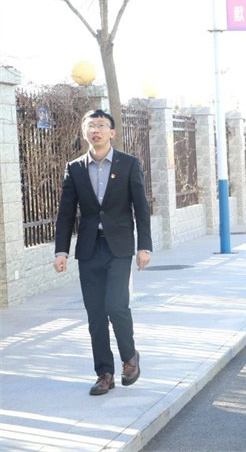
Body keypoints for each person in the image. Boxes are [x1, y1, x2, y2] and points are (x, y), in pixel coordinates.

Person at [54, 110, 152, 396]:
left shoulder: (129, 164)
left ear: (112, 132)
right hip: (88, 248)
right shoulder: (75, 168)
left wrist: (144, 246)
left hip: (119, 247)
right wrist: (61, 250)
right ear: (85, 132)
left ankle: (129, 358)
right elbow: (66, 213)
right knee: (95, 313)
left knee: (116, 306)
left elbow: (141, 207)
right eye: (90, 126)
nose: (95, 130)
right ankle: (104, 374)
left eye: (101, 125)